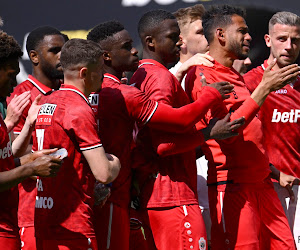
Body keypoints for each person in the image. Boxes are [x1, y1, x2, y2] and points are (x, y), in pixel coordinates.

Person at [87, 20, 243, 250]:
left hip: (129, 196)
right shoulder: (131, 88)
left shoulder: (129, 81)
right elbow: (165, 143)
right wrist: (209, 118)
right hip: (167, 194)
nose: (133, 50)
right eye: (173, 36)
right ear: (106, 56)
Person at [128, 9, 247, 250]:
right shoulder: (159, 77)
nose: (180, 41)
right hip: (173, 196)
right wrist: (208, 133)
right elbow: (163, 146)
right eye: (173, 37)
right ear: (150, 41)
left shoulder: (141, 74)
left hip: (157, 194)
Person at [185, 5, 300, 249]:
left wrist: (272, 170)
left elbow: (250, 137)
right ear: (221, 34)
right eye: (242, 31)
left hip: (264, 184)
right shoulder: (202, 75)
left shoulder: (234, 75)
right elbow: (226, 133)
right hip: (233, 187)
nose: (249, 37)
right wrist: (264, 89)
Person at [0, 30, 62, 250]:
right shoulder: (22, 96)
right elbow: (9, 162)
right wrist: (31, 167)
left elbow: (6, 160)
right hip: (20, 218)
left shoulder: (65, 93)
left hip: (18, 221)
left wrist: (30, 160)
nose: (61, 56)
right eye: (10, 74)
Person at [243, 11, 300, 247]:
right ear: (268, 40)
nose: (289, 46)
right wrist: (275, 173)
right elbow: (242, 138)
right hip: (267, 188)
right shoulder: (250, 83)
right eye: (282, 39)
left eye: (295, 40)